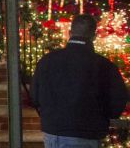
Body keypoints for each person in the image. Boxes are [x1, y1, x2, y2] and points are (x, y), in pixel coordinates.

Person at [31, 14, 128, 148]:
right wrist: (101, 116)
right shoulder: (104, 65)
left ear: (70, 33)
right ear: (94, 36)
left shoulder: (47, 61)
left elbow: (35, 97)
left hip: (53, 130)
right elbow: (118, 100)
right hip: (87, 131)